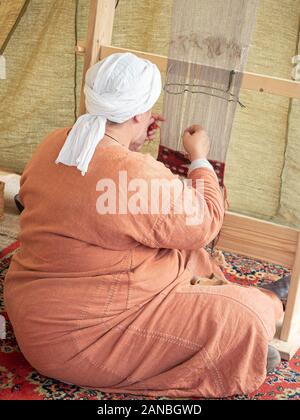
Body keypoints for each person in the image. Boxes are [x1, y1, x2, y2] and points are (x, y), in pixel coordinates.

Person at [4, 52, 287, 398]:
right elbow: (206, 219)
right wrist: (199, 157)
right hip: (85, 339)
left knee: (178, 247)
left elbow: (103, 198)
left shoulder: (55, 142)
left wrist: (130, 143)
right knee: (245, 315)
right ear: (140, 113)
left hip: (34, 313)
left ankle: (226, 314)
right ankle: (268, 303)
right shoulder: (135, 173)